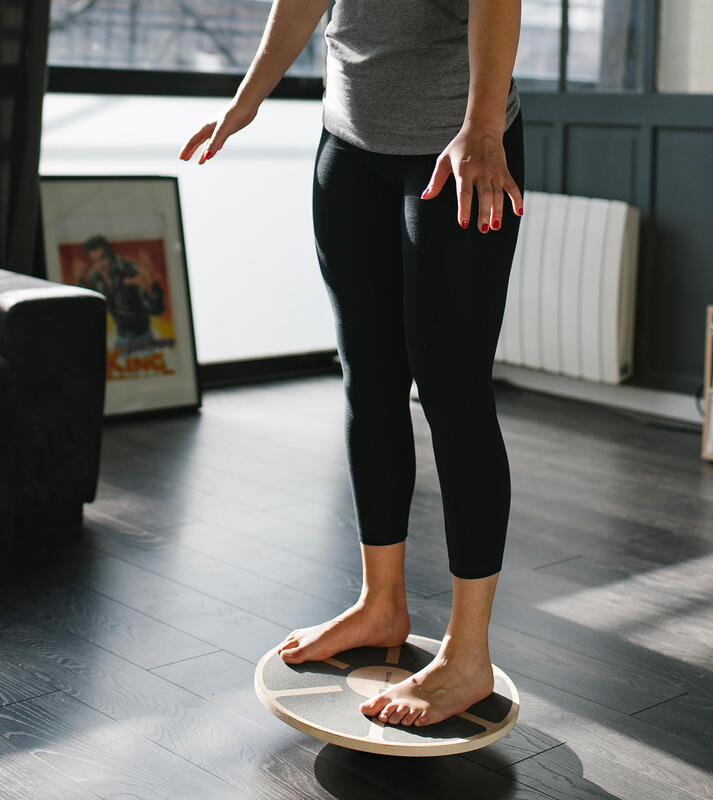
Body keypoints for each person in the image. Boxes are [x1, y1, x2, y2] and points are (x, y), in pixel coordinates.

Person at [180, 0, 524, 729]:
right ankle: (380, 604)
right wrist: (246, 101)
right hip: (349, 143)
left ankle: (468, 656)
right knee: (368, 384)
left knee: (453, 392)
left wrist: (484, 129)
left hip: (455, 149)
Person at [77, 235, 165, 351]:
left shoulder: (130, 270)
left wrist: (150, 290)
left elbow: (157, 309)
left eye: (103, 258)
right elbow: (94, 305)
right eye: (95, 260)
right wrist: (81, 281)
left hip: (142, 338)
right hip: (121, 336)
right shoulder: (95, 276)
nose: (101, 265)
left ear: (110, 255)